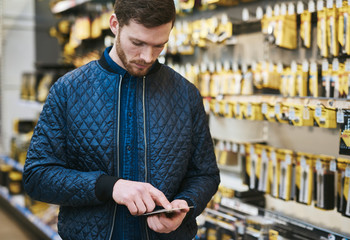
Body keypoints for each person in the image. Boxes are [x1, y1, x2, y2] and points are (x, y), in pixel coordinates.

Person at [23, 0, 220, 239]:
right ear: (115, 24)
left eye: (159, 45)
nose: (147, 57)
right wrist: (110, 187)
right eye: (137, 43)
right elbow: (37, 176)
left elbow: (205, 175)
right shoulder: (68, 90)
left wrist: (185, 205)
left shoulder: (186, 95)